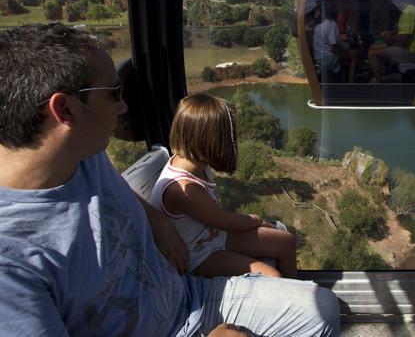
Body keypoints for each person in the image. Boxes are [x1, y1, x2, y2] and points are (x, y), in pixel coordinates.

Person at [0, 23, 339, 336]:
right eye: (115, 92)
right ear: (66, 110)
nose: (124, 108)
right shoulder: (11, 261)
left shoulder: (84, 158)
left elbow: (122, 196)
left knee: (320, 309)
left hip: (189, 298)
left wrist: (159, 222)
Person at [149, 93, 297, 279]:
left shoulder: (195, 165)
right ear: (209, 141)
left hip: (214, 236)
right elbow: (226, 221)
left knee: (286, 242)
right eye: (226, 138)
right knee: (272, 276)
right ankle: (290, 298)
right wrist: (255, 220)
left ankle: (298, 290)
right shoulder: (184, 188)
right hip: (199, 255)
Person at [367, 0, 415, 82]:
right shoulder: (412, 9)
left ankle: (378, 83)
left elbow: (403, 41)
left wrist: (389, 38)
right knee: (372, 47)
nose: (393, 5)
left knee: (372, 54)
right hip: (407, 48)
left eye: (394, 2)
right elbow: (403, 29)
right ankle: (382, 74)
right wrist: (391, 32)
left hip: (409, 53)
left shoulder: (408, 13)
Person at [312, 0, 341, 83]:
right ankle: (350, 83)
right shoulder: (331, 24)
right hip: (328, 59)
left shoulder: (314, 24)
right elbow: (333, 48)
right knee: (353, 54)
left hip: (317, 59)